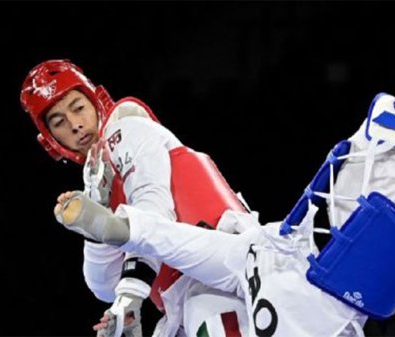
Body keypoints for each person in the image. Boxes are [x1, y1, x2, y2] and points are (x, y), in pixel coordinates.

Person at [53, 7, 395, 337]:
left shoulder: (379, 117)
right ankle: (125, 229)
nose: (73, 123)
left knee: (195, 243)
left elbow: (369, 219)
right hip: (311, 311)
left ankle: (125, 227)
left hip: (270, 249)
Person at [20, 59, 252, 337]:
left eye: (78, 108)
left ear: (96, 103)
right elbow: (104, 287)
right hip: (184, 302)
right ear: (51, 141)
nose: (75, 125)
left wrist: (131, 293)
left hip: (227, 268)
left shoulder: (126, 128)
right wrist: (96, 223)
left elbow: (153, 206)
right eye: (59, 122)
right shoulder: (98, 182)